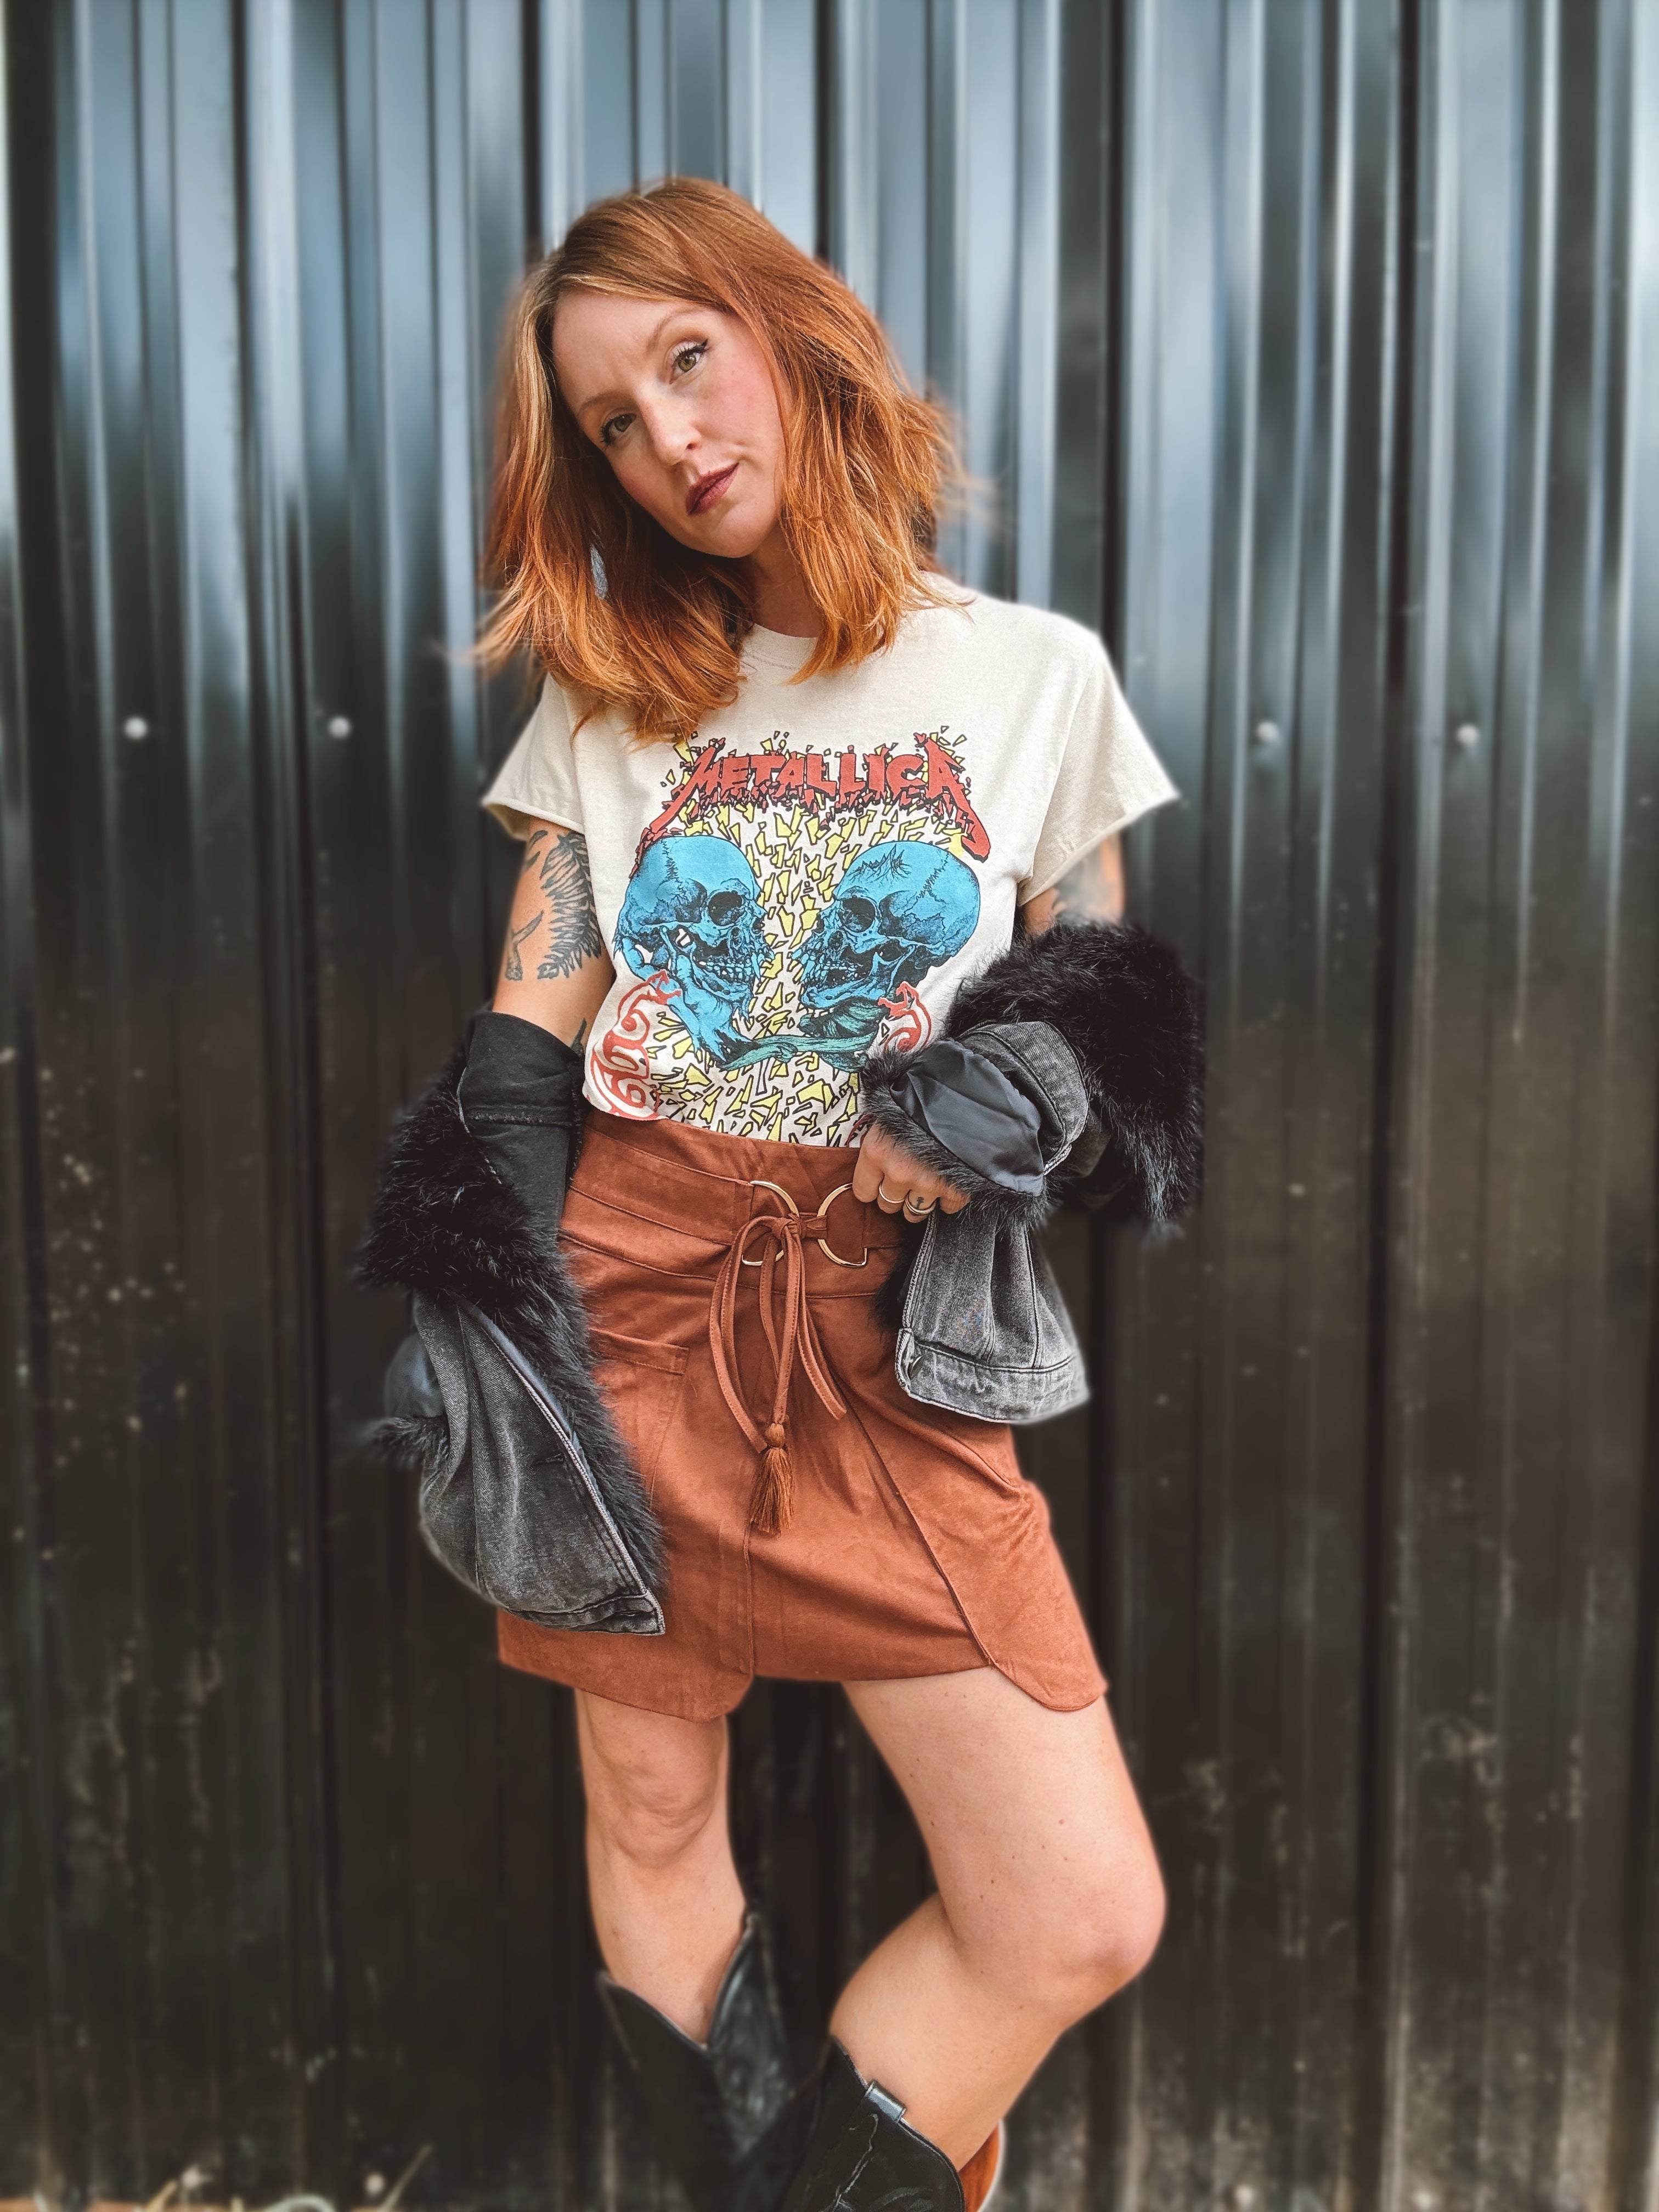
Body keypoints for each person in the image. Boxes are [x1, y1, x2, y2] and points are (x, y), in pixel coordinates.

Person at [360, 178, 1200, 2212]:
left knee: (1076, 1910)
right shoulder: (612, 698)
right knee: (655, 1820)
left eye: (686, 359)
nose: (670, 439)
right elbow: (524, 1048)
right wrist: (491, 1328)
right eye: (614, 422)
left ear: (788, 332)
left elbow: (1106, 1029)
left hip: (887, 1336)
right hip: (631, 1305)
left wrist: (1003, 1096)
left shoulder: (1036, 676)